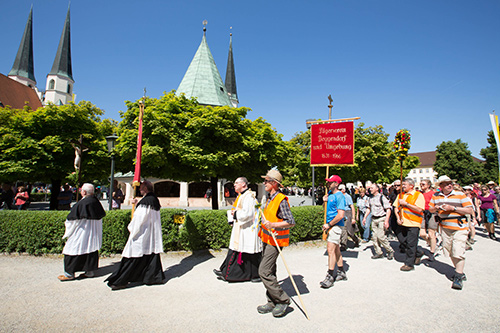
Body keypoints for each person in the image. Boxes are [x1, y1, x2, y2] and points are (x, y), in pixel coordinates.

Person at [106, 181, 164, 290]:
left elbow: (139, 219)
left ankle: (121, 280)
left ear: (146, 188)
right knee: (148, 255)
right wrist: (137, 204)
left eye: (141, 187)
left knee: (133, 256)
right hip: (149, 234)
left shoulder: (146, 201)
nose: (139, 189)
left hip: (142, 234)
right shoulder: (153, 199)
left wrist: (131, 228)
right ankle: (151, 277)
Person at [257, 170, 295, 318]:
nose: (264, 183)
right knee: (270, 271)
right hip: (267, 239)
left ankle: (283, 300)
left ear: (273, 183)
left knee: (264, 271)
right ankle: (272, 301)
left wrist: (272, 224)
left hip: (276, 241)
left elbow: (290, 221)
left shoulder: (281, 199)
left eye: (266, 181)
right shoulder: (269, 198)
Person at [429, 175, 473, 290]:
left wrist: (452, 208)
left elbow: (470, 210)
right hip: (444, 227)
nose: (449, 185)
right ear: (441, 186)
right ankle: (460, 270)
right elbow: (430, 209)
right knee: (449, 251)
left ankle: (458, 276)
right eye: (446, 183)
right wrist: (437, 208)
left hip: (459, 227)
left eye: (450, 183)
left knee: (458, 250)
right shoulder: (436, 196)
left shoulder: (460, 195)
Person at [214, 177, 262, 282]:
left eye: (236, 183)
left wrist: (235, 214)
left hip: (248, 229)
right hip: (242, 227)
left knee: (248, 252)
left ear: (244, 184)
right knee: (239, 250)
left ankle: (252, 274)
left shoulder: (249, 197)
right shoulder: (242, 195)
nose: (234, 185)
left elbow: (248, 214)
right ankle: (225, 270)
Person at [58, 183, 106, 281]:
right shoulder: (95, 201)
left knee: (72, 249)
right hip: (92, 232)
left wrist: (68, 230)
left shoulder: (82, 203)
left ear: (83, 192)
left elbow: (72, 220)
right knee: (90, 249)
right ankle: (89, 271)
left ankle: (69, 274)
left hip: (81, 231)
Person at [320, 175, 347, 289]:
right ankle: (341, 272)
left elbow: (341, 214)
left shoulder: (340, 196)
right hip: (330, 225)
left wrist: (329, 224)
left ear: (336, 184)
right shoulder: (330, 195)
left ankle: (330, 275)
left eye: (330, 182)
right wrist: (324, 201)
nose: (328, 184)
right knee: (336, 250)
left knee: (330, 250)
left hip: (335, 226)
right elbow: (326, 209)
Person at [393, 178, 425, 272]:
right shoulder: (401, 195)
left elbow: (419, 209)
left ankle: (409, 264)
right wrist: (398, 218)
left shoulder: (418, 195)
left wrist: (406, 204)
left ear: (411, 186)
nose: (402, 186)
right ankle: (418, 253)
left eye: (404, 185)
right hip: (402, 222)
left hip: (413, 223)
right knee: (403, 241)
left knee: (411, 243)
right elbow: (396, 207)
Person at [363, 183, 394, 260]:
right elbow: (368, 209)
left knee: (381, 236)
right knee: (375, 237)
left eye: (372, 188)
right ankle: (379, 252)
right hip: (374, 219)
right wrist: (365, 218)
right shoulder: (370, 198)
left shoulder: (382, 197)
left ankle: (389, 250)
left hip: (381, 219)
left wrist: (386, 221)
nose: (370, 189)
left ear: (377, 189)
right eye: (370, 188)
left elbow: (388, 209)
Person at [419, 179, 437, 261]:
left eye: (423, 184)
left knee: (431, 233)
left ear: (428, 185)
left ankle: (432, 252)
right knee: (422, 233)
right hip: (422, 213)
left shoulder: (433, 194)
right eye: (421, 184)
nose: (421, 186)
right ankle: (431, 242)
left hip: (431, 213)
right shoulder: (420, 194)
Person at [339, 184, 359, 249]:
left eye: (340, 189)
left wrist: (353, 217)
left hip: (347, 212)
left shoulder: (347, 197)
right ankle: (343, 245)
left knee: (349, 230)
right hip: (341, 213)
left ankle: (356, 240)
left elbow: (352, 207)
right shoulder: (338, 197)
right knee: (343, 229)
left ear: (344, 190)